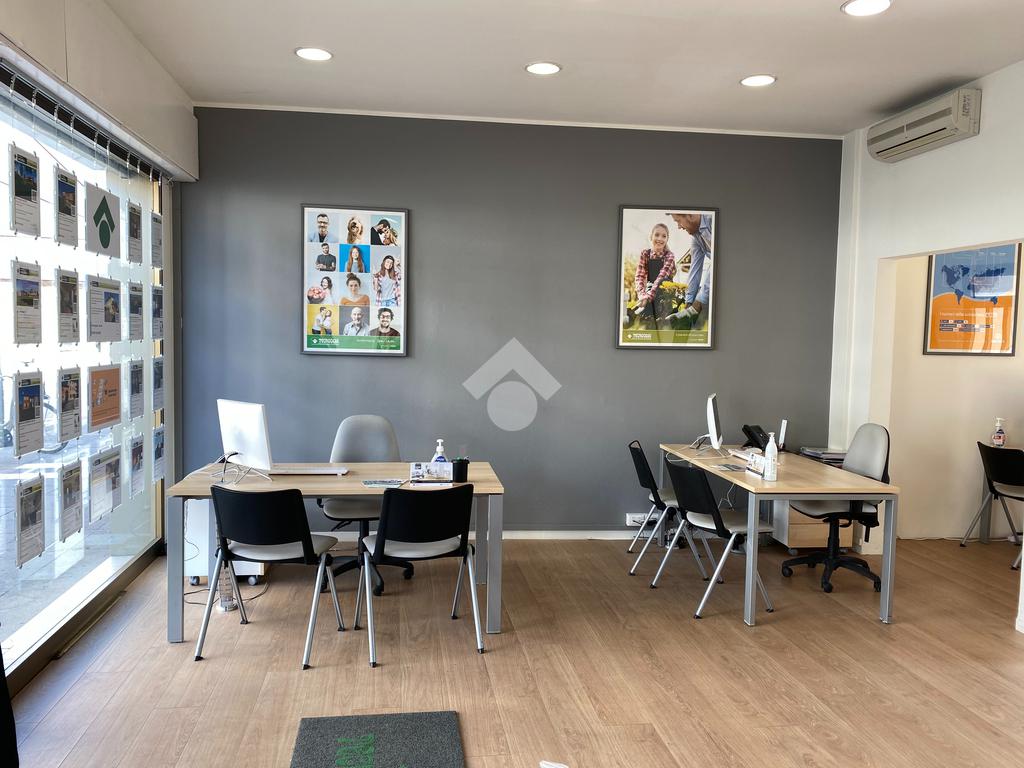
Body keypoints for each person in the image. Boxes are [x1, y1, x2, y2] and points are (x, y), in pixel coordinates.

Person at [664, 212, 714, 328]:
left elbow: (719, 261)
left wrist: (695, 308)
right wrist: (688, 304)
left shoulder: (712, 221)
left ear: (690, 215)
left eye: (678, 221)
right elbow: (695, 269)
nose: (679, 227)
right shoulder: (696, 237)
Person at [632, 222, 676, 327]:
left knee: (663, 324)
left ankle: (638, 313)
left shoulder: (669, 256)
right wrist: (642, 295)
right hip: (649, 290)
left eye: (664, 236)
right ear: (651, 236)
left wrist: (648, 298)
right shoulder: (645, 254)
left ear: (667, 239)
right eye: (657, 235)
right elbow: (640, 276)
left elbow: (661, 277)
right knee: (647, 324)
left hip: (665, 293)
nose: (660, 238)